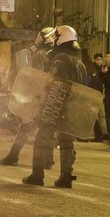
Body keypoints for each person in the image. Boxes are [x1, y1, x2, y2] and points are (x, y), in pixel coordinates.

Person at [23, 25, 87, 188]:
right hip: (71, 108)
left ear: (62, 38)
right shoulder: (79, 61)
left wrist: (45, 107)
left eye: (57, 36)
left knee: (43, 137)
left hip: (56, 106)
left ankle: (37, 174)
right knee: (66, 141)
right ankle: (66, 176)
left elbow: (56, 85)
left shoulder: (61, 59)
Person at [0, 27, 55, 166]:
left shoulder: (40, 54)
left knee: (26, 127)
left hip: (38, 97)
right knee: (48, 130)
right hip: (52, 97)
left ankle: (13, 156)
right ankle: (48, 160)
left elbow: (37, 77)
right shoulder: (57, 55)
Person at [88, 53, 105, 142]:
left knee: (97, 115)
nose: (99, 61)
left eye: (100, 60)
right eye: (98, 59)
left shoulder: (102, 69)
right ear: (95, 60)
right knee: (92, 115)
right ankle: (99, 134)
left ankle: (100, 134)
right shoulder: (92, 69)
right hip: (93, 94)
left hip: (98, 94)